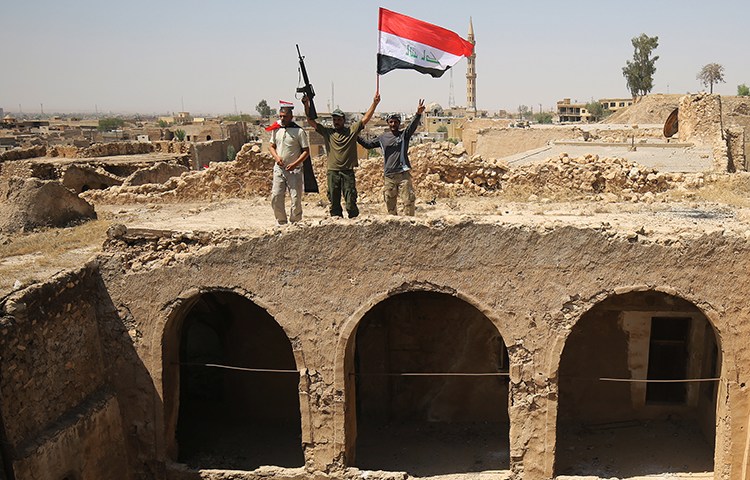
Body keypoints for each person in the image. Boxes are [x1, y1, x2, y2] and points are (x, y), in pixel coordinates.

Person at [302, 93, 380, 218]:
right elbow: (310, 121)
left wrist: (374, 104)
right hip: (333, 172)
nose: (336, 122)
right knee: (334, 203)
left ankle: (354, 223)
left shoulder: (351, 131)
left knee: (350, 203)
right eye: (334, 120)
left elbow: (365, 118)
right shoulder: (328, 132)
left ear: (344, 120)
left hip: (347, 172)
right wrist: (306, 105)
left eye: (339, 119)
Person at [358, 99, 425, 216]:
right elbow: (368, 145)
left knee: (408, 201)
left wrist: (418, 114)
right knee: (390, 203)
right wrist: (355, 135)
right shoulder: (383, 138)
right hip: (389, 175)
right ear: (388, 123)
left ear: (399, 123)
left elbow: (412, 126)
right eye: (391, 122)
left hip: (403, 174)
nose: (393, 124)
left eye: (395, 122)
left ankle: (410, 226)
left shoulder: (404, 135)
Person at [268, 103, 310, 225]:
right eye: (280, 116)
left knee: (295, 199)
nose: (282, 119)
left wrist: (295, 164)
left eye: (284, 116)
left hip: (294, 170)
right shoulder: (277, 130)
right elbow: (271, 146)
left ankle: (295, 222)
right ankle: (281, 221)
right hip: (279, 169)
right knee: (276, 196)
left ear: (291, 116)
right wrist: (276, 157)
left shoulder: (299, 131)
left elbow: (306, 151)